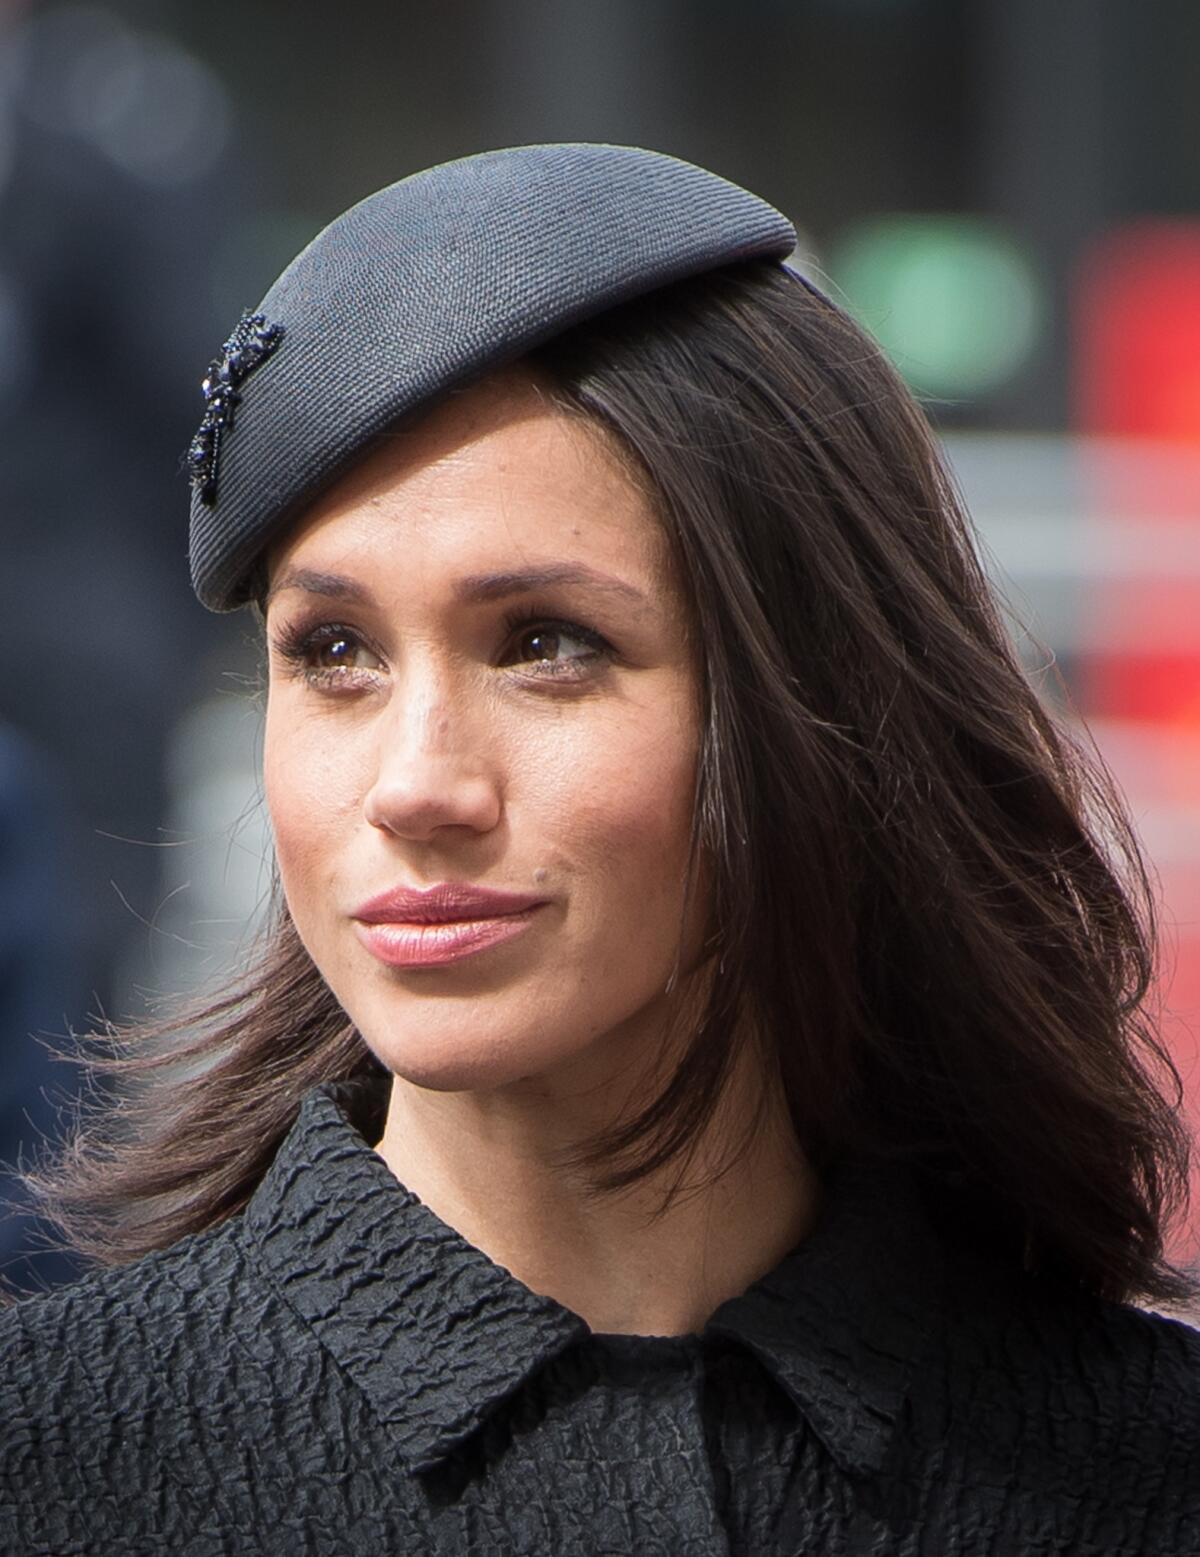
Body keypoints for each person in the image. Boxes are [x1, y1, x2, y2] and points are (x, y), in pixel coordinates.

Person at [1, 143, 1197, 1555]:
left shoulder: (1143, 1470)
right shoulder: (53, 1464)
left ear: (818, 705)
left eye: (548, 646)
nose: (417, 783)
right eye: (333, 653)